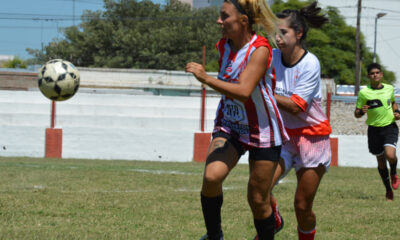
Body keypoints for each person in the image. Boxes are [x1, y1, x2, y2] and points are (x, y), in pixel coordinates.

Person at [185, 0, 289, 239]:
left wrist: (206, 78)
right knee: (211, 177)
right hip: (230, 126)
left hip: (262, 131)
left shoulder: (260, 50)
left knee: (257, 198)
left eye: (224, 16)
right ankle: (214, 236)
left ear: (243, 20)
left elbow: (243, 91)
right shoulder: (223, 46)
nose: (218, 21)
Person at [259, 2, 332, 240]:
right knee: (260, 189)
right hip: (285, 136)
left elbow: (297, 105)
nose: (277, 38)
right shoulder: (272, 57)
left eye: (283, 33)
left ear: (298, 34)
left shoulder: (310, 63)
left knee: (302, 206)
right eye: (275, 33)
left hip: (313, 138)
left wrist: (263, 92)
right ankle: (274, 221)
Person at [355, 63, 400, 201]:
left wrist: (397, 111)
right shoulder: (364, 93)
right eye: (372, 73)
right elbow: (356, 113)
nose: (375, 75)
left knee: (390, 155)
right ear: (369, 76)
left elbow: (392, 102)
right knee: (381, 162)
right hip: (374, 130)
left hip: (389, 127)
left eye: (377, 72)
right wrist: (361, 112)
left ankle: (393, 172)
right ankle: (388, 190)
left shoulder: (389, 88)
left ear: (381, 75)